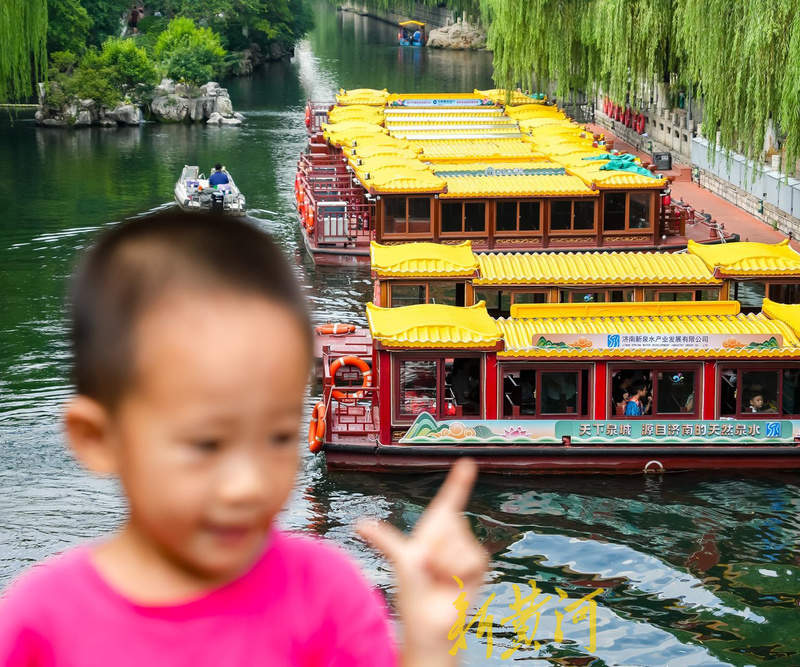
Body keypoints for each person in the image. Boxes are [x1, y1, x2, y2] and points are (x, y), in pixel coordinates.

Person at [0, 212, 488, 665]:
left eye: (278, 437)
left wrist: (428, 644)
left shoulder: (329, 598)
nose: (248, 485)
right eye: (207, 444)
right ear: (98, 438)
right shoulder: (38, 625)